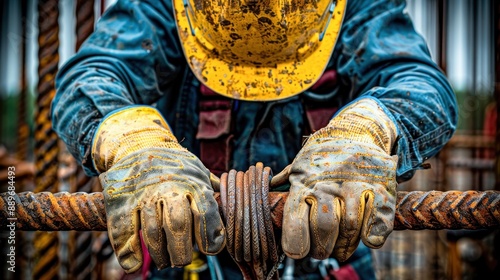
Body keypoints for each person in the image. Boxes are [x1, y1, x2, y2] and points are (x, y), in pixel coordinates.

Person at [52, 0, 457, 279]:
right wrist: (134, 143)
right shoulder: (168, 8)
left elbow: (421, 86)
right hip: (185, 249)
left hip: (326, 248)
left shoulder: (351, 8)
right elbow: (89, 79)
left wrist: (366, 132)